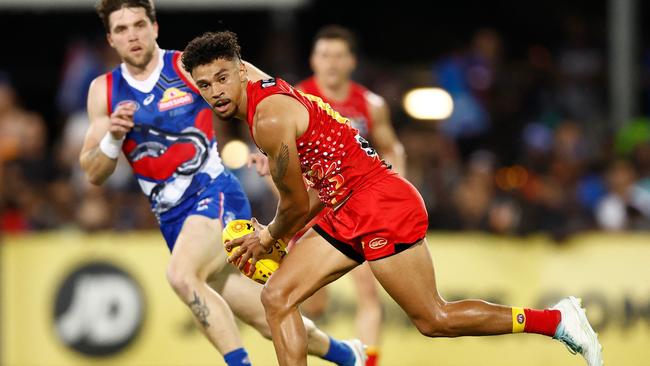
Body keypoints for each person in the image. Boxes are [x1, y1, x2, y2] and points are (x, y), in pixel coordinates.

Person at [182, 30, 603, 366]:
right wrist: (278, 238)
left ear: (241, 72)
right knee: (277, 297)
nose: (216, 91)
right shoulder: (254, 85)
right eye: (204, 85)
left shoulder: (268, 118)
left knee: (434, 319)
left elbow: (294, 205)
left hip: (379, 204)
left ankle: (556, 320)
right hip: (344, 204)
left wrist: (268, 237)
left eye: (222, 78)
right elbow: (312, 195)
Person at [80, 2, 366, 366]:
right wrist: (112, 139)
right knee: (267, 315)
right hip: (173, 220)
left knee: (182, 276)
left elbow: (267, 89)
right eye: (121, 29)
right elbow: (93, 172)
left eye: (139, 24)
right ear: (110, 39)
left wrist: (276, 142)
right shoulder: (103, 92)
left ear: (154, 27)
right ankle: (349, 356)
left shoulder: (187, 67)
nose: (132, 35)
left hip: (213, 194)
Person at [295, 25, 406, 366]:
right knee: (310, 301)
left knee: (370, 291)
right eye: (324, 55)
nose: (331, 63)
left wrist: (396, 194)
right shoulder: (296, 98)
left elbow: (391, 148)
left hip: (360, 207)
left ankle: (367, 363)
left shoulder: (370, 104)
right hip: (313, 206)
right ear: (313, 60)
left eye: (338, 55)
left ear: (352, 61)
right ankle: (338, 352)